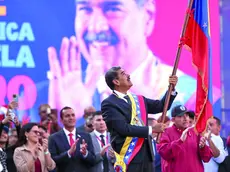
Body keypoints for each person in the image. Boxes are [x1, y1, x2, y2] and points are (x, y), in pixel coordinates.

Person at [47, 0, 197, 118]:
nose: (97, 27)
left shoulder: (193, 97)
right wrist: (68, 120)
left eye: (112, 9)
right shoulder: (51, 101)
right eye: (86, 10)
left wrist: (151, 116)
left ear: (148, 17)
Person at [101, 67, 178, 172]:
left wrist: (171, 89)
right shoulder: (109, 103)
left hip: (147, 155)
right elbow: (123, 128)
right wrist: (152, 129)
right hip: (129, 157)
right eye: (123, 73)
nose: (128, 75)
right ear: (116, 81)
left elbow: (161, 106)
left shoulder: (139, 99)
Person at [157, 105, 213, 172]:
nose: (185, 118)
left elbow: (207, 158)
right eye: (180, 116)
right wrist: (179, 141)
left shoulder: (195, 132)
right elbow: (164, 153)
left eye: (186, 115)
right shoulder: (165, 132)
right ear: (173, 120)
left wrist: (203, 147)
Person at [48, 106, 96, 172]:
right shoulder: (53, 138)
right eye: (67, 116)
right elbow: (52, 161)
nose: (71, 118)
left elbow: (93, 160)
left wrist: (85, 153)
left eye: (73, 115)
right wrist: (68, 153)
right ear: (61, 120)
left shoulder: (86, 136)